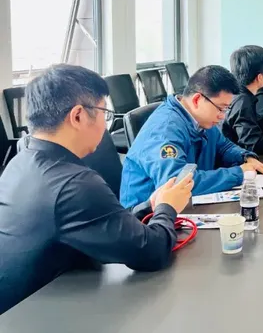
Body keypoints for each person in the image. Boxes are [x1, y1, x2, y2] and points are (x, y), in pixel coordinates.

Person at [0, 65, 194, 314]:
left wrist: (151, 207)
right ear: (78, 116)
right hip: (46, 316)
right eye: (104, 112)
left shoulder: (21, 162)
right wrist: (168, 208)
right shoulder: (74, 183)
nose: (105, 124)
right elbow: (153, 252)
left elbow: (95, 222)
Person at [120, 65, 263, 209]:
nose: (222, 116)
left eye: (226, 109)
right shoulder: (165, 130)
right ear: (197, 100)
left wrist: (245, 157)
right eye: (221, 108)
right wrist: (238, 173)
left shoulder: (200, 120)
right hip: (148, 217)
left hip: (189, 205)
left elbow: (223, 146)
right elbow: (177, 184)